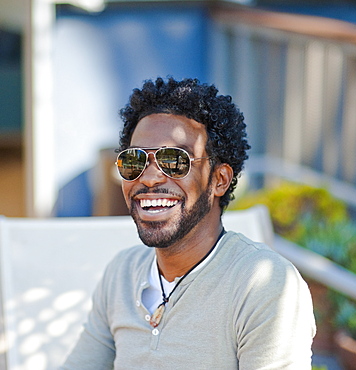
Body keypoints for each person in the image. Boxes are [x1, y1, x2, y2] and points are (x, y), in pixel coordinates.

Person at [61, 77, 316, 369]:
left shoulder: (262, 285)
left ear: (219, 179)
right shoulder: (122, 274)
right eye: (134, 160)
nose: (149, 177)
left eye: (174, 160)